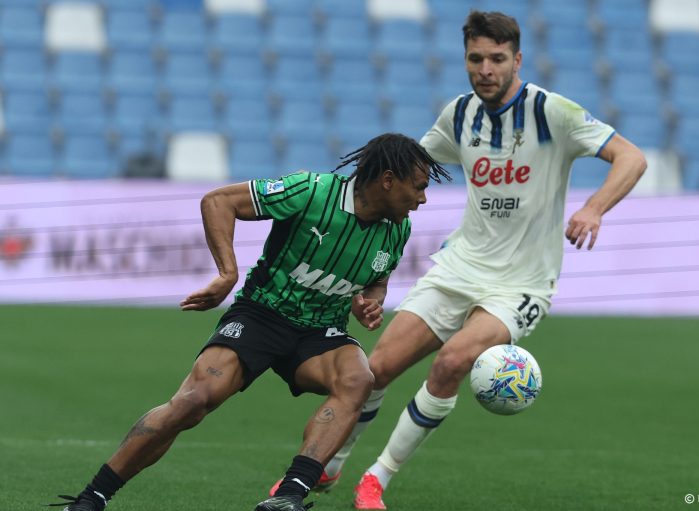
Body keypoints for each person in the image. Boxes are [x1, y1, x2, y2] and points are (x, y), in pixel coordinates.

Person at [296, 11, 647, 510]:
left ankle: (376, 478)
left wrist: (593, 208)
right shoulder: (458, 115)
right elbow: (408, 172)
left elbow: (632, 158)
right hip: (460, 266)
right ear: (465, 59)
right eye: (475, 58)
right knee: (375, 370)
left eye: (497, 59)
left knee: (453, 362)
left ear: (517, 60)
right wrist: (369, 259)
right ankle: (333, 462)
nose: (485, 69)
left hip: (522, 283)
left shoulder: (552, 112)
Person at [51, 133, 450, 511]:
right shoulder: (311, 191)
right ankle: (91, 498)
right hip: (262, 315)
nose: (423, 198)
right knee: (193, 401)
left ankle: (288, 496)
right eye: (418, 187)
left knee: (358, 380)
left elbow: (377, 280)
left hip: (320, 331)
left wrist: (369, 303)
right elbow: (218, 201)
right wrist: (227, 274)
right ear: (387, 180)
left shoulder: (398, 229)